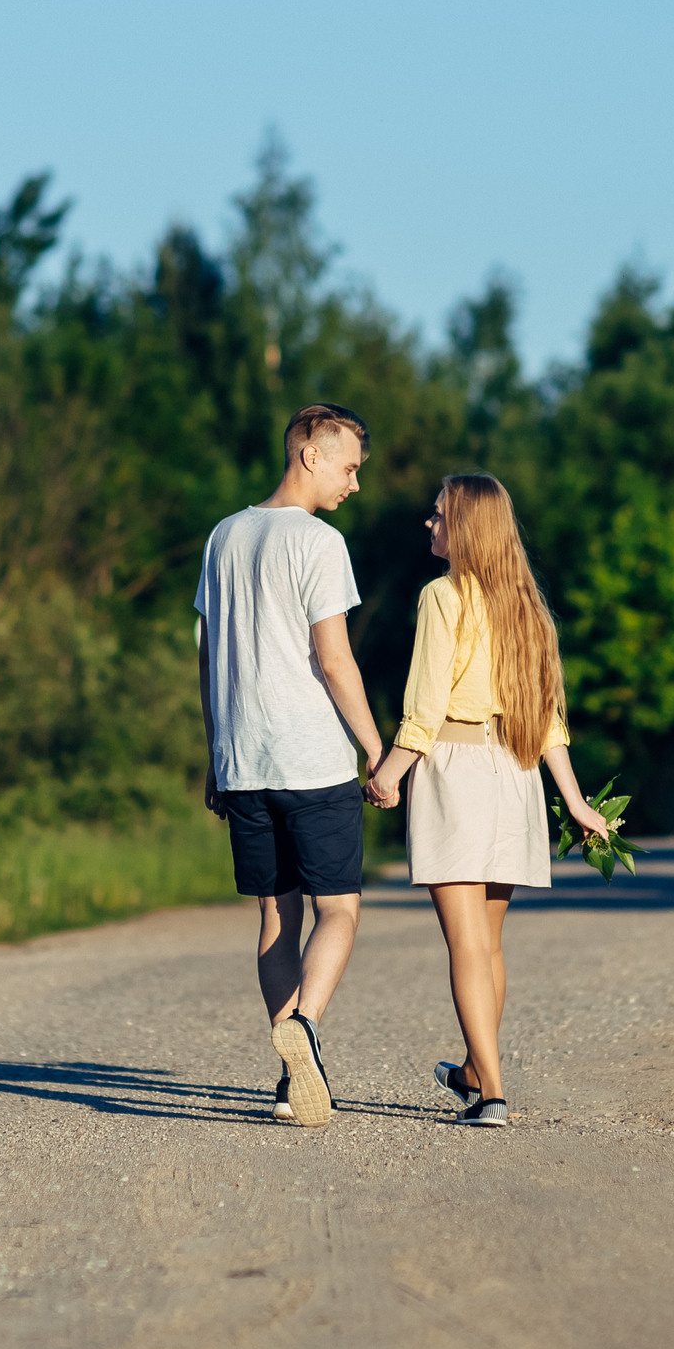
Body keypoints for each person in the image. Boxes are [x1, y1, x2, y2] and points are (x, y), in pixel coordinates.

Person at [364, 474, 614, 1129]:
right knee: (491, 946)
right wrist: (578, 802)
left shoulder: (441, 596)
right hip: (517, 773)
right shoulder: (527, 606)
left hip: (457, 768)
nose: (429, 523)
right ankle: (478, 1069)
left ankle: (492, 1094)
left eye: (439, 514)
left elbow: (424, 704)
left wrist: (390, 771)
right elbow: (551, 720)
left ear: (466, 527)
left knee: (468, 947)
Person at [194, 403, 391, 1129]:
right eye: (350, 467)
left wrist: (215, 752)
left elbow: (209, 656)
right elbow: (333, 658)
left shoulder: (223, 536)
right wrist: (376, 747)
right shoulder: (317, 541)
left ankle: (290, 1081)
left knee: (276, 914)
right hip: (311, 758)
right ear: (312, 453)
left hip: (242, 760)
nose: (354, 484)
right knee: (339, 908)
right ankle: (303, 1025)